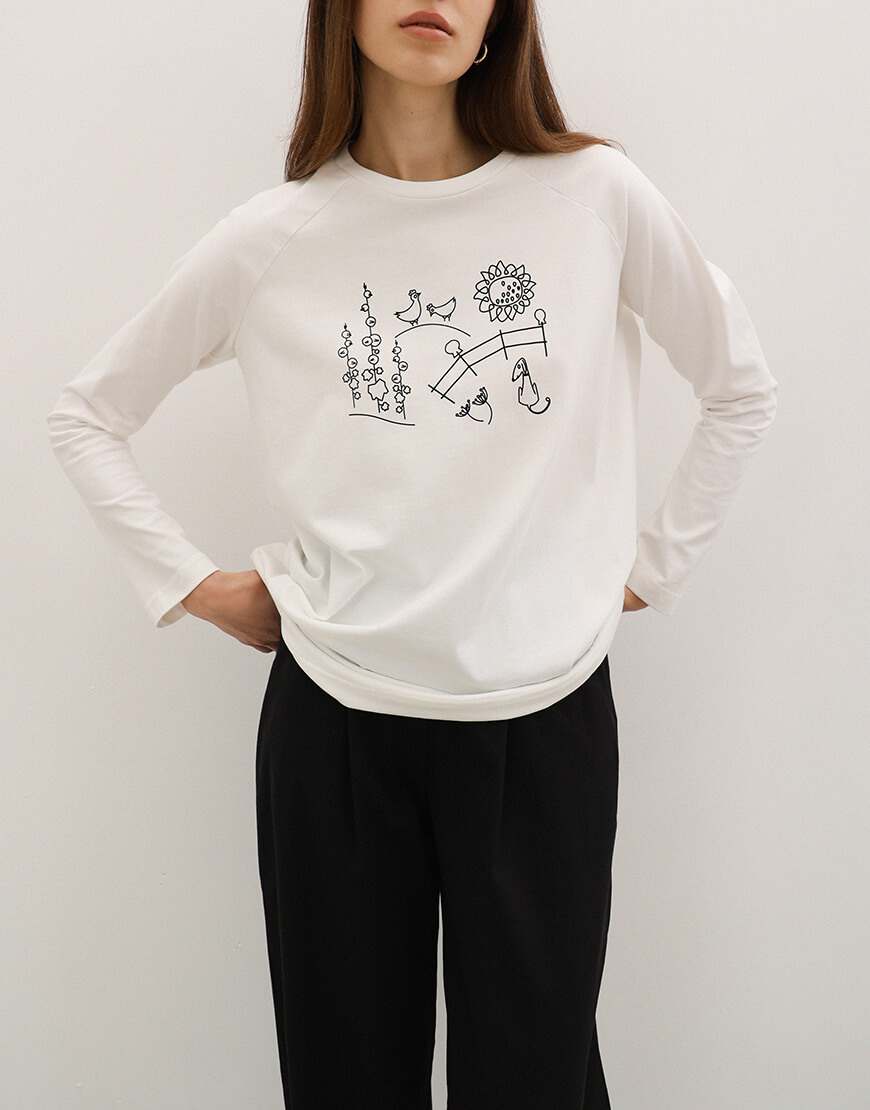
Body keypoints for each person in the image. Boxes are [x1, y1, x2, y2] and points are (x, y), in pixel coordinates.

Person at [48, 0, 778, 1105]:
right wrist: (192, 585)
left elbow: (740, 388)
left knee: (535, 1082)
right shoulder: (275, 235)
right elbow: (87, 415)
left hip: (543, 720)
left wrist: (650, 569)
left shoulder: (596, 197)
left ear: (499, 24)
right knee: (344, 1079)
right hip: (336, 723)